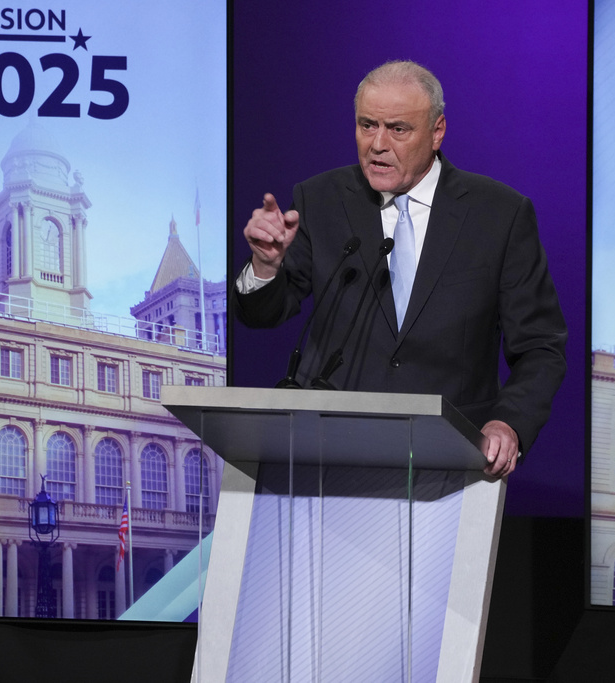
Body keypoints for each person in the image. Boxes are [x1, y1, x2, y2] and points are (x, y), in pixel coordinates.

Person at [234, 60, 566, 479]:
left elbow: (540, 345)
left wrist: (508, 422)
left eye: (398, 129)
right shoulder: (320, 199)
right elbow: (264, 314)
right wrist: (265, 266)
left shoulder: (499, 214)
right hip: (328, 458)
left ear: (437, 131)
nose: (377, 144)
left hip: (451, 465)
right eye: (367, 125)